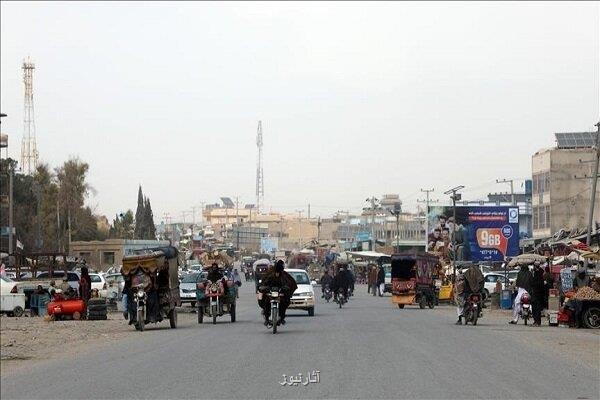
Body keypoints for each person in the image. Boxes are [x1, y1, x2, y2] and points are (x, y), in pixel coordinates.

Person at [259, 260, 297, 326]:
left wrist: (286, 289)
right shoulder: (270, 275)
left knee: (284, 302)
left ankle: (282, 317)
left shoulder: (283, 276)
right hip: (270, 293)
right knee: (266, 303)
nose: (277, 274)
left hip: (279, 293)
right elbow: (265, 282)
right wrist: (264, 288)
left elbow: (288, 283)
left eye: (278, 273)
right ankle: (267, 319)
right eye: (276, 273)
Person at [529, 262, 545, 326]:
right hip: (540, 294)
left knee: (535, 309)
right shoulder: (540, 273)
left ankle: (536, 322)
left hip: (536, 294)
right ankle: (537, 322)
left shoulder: (537, 274)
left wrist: (532, 283)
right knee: (537, 309)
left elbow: (534, 283)